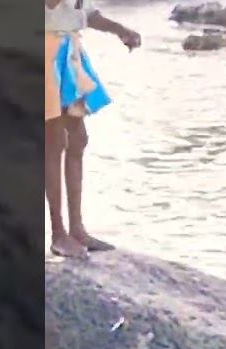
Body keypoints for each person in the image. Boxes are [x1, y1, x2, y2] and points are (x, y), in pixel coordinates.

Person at [45, 0, 141, 258]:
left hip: (67, 50)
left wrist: (120, 30)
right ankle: (58, 233)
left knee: (78, 139)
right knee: (54, 142)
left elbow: (87, 13)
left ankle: (77, 229)